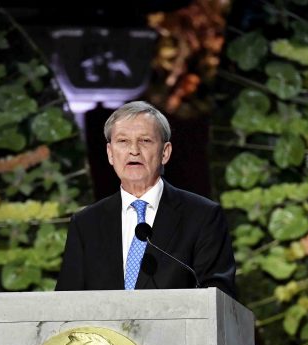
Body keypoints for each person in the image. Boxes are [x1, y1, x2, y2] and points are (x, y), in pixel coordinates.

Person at [55, 101, 236, 297]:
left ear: (165, 153)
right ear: (110, 154)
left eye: (145, 141)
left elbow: (218, 297)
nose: (134, 150)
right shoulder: (85, 224)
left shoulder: (202, 216)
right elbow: (66, 302)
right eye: (123, 141)